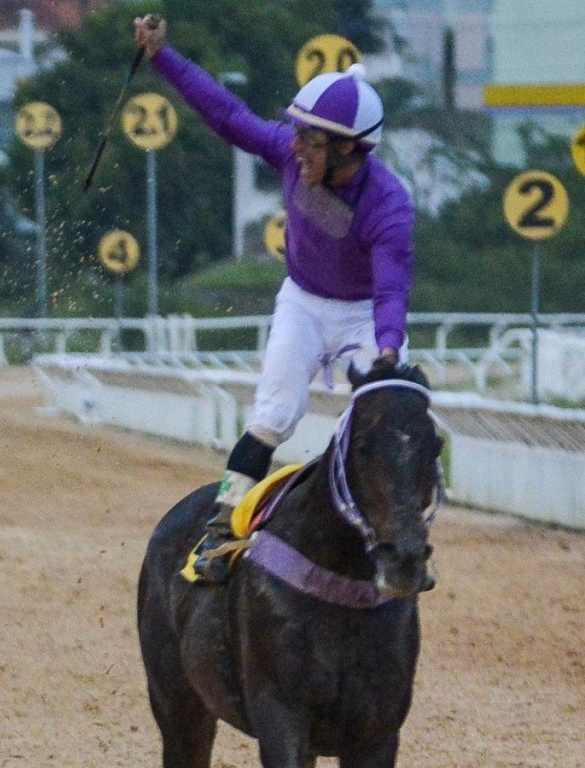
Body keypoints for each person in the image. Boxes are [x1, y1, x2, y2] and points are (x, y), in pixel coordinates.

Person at [134, 17, 416, 583]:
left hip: (365, 314)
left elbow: (391, 287)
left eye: (309, 138)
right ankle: (223, 528)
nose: (295, 147)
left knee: (379, 420)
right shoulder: (289, 156)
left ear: (348, 150)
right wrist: (162, 57)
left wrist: (387, 350)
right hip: (304, 302)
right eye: (296, 133)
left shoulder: (388, 205)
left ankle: (396, 542)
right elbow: (225, 113)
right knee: (273, 415)